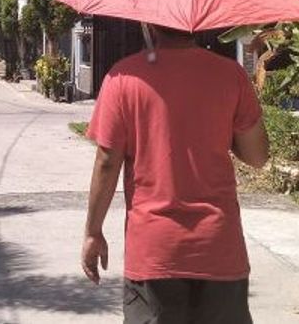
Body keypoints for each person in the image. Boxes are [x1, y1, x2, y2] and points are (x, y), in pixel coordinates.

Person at [81, 23, 270, 324]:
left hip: (156, 251)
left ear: (148, 23)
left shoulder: (123, 77)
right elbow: (258, 156)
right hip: (218, 247)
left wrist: (93, 231)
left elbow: (107, 162)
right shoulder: (229, 74)